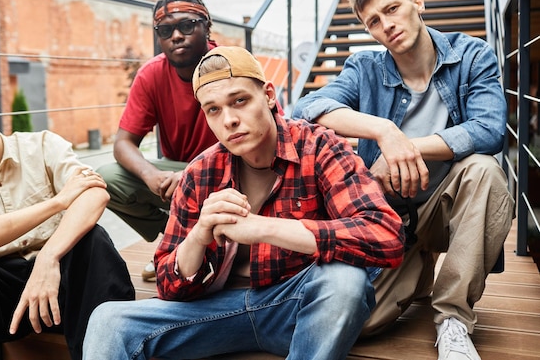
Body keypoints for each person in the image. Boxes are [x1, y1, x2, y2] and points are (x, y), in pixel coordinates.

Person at [82, 46, 405, 360]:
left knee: (344, 282)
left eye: (240, 101)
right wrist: (198, 236)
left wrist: (263, 228)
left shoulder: (319, 146)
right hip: (216, 311)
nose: (229, 120)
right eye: (214, 110)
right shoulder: (200, 172)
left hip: (293, 306)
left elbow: (384, 235)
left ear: (268, 95)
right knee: (108, 320)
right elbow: (168, 286)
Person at [293, 0, 514, 360]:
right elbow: (307, 108)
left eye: (392, 9)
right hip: (392, 216)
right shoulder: (364, 68)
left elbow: (490, 129)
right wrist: (384, 130)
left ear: (418, 1)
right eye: (373, 22)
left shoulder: (471, 54)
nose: (386, 25)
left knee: (484, 169)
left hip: (451, 205)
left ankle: (453, 319)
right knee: (362, 323)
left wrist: (405, 147)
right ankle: (419, 267)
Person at [0, 67, 135, 360]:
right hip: (0, 303)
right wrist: (57, 203)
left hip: (62, 290)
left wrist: (49, 257)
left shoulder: (43, 145)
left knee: (93, 239)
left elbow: (95, 193)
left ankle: (107, 352)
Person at [96, 0, 219, 281]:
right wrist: (151, 175)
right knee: (105, 178)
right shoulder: (151, 74)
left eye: (187, 26)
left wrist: (193, 173)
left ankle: (195, 245)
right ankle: (178, 240)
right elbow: (123, 143)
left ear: (206, 26)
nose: (176, 35)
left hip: (231, 174)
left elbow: (260, 138)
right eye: (165, 30)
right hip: (176, 180)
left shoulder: (229, 64)